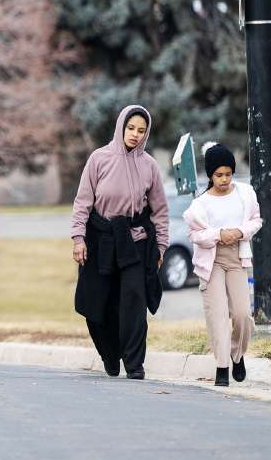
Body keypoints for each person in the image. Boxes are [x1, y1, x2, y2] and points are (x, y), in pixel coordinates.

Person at [71, 105, 168, 380]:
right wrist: (79, 238)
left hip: (135, 241)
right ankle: (110, 355)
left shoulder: (149, 165)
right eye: (131, 128)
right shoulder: (98, 159)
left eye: (141, 130)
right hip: (100, 239)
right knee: (95, 304)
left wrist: (161, 246)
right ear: (121, 127)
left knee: (134, 302)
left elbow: (160, 210)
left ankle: (134, 364)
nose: (135, 135)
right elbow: (82, 203)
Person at [183, 143, 261, 387]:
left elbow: (256, 220)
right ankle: (222, 368)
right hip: (212, 262)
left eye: (228, 174)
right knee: (217, 316)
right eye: (219, 175)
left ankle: (237, 355)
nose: (225, 179)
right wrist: (219, 234)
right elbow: (195, 235)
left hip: (237, 258)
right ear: (210, 175)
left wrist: (238, 231)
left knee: (242, 314)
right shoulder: (201, 204)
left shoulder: (245, 194)